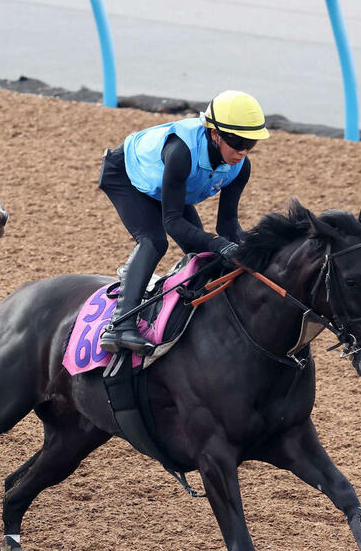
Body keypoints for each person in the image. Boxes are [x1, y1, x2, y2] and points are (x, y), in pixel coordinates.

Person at [97, 89, 270, 355]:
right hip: (126, 176)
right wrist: (220, 244)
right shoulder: (182, 152)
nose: (243, 152)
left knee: (203, 251)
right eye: (237, 142)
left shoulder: (240, 166)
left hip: (169, 184)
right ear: (215, 134)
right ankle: (120, 325)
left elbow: (228, 225)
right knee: (153, 242)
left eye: (251, 144)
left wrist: (255, 250)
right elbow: (173, 223)